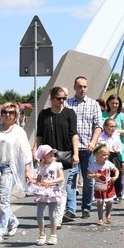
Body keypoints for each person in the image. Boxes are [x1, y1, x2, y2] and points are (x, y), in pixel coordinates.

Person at [34, 87, 79, 226]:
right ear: (51, 98)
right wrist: (35, 151)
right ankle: (53, 215)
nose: (61, 101)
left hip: (65, 154)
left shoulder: (69, 113)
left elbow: (74, 134)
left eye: (64, 98)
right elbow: (39, 134)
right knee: (47, 187)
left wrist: (76, 154)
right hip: (47, 156)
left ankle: (57, 219)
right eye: (58, 98)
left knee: (61, 187)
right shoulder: (44, 114)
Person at [0, 102, 33, 243]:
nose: (7, 115)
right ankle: (13, 221)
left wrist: (27, 170)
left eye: (11, 113)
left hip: (9, 168)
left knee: (3, 199)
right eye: (5, 112)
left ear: (15, 116)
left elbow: (26, 152)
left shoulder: (19, 131)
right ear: (1, 114)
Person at [65, 76, 103, 219]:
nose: (82, 89)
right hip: (72, 149)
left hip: (88, 148)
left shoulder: (93, 104)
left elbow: (98, 126)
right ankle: (71, 209)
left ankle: (86, 207)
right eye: (79, 86)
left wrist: (93, 142)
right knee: (71, 180)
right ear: (74, 87)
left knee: (88, 180)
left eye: (85, 86)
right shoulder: (67, 104)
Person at [32, 144, 64, 246]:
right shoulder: (41, 167)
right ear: (43, 156)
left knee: (52, 215)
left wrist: (50, 182)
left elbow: (61, 178)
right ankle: (42, 234)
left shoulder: (57, 165)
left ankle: (53, 235)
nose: (51, 153)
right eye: (49, 152)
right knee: (39, 214)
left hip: (53, 192)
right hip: (42, 192)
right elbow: (38, 180)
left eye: (52, 152)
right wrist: (36, 183)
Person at [88, 143, 119, 226]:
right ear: (97, 155)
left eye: (107, 155)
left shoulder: (108, 163)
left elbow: (116, 170)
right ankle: (100, 218)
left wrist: (115, 177)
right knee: (100, 203)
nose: (106, 157)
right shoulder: (94, 165)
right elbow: (88, 175)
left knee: (110, 201)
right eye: (103, 155)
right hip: (99, 186)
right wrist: (94, 175)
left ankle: (108, 213)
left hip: (108, 185)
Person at [98, 118, 124, 204]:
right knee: (103, 175)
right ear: (105, 127)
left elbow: (120, 147)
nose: (113, 128)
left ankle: (118, 194)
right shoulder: (100, 136)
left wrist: (117, 150)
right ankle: (104, 194)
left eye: (114, 126)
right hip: (103, 157)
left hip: (114, 156)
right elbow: (97, 146)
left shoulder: (116, 136)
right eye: (111, 126)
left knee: (117, 175)